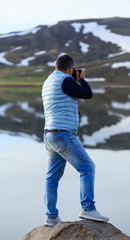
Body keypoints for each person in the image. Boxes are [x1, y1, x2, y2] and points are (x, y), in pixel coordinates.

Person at [42, 54, 109, 227]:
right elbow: (87, 93)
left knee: (52, 178)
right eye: (74, 70)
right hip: (63, 134)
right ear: (70, 68)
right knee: (87, 167)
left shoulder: (48, 81)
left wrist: (75, 79)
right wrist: (82, 79)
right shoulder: (65, 80)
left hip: (49, 133)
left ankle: (51, 216)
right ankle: (87, 208)